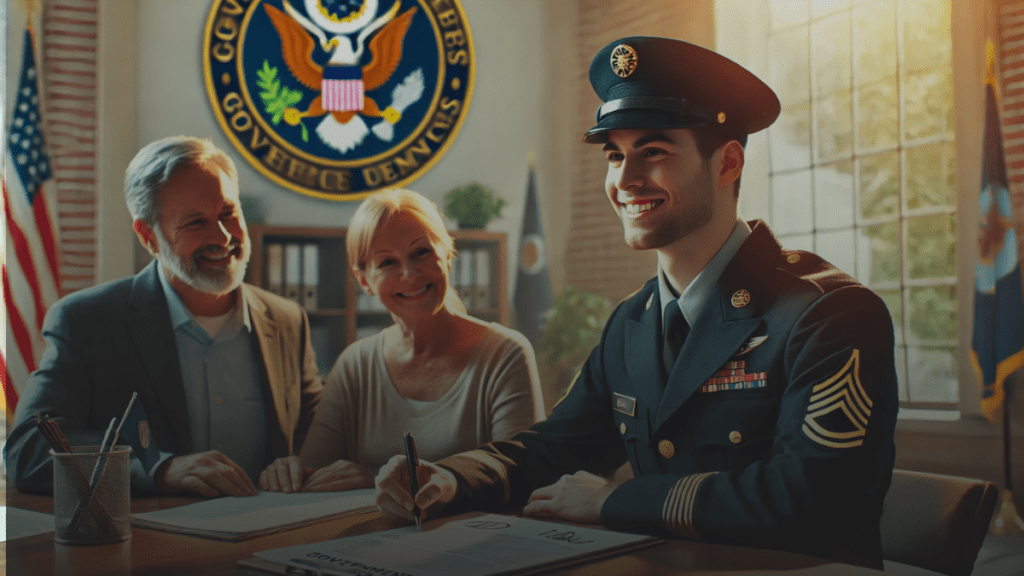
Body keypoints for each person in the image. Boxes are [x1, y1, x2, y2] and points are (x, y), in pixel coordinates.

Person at [374, 37, 899, 569]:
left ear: (727, 164)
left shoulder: (827, 314)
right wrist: (451, 476)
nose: (624, 181)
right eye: (615, 155)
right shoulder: (633, 321)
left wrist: (611, 502)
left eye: (653, 152)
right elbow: (559, 445)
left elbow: (809, 501)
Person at [4, 136, 324, 498]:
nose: (221, 237)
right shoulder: (88, 321)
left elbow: (319, 438)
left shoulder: (287, 321)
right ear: (148, 237)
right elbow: (27, 450)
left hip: (267, 544)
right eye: (195, 222)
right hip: (149, 548)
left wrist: (300, 463)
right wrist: (157, 467)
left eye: (228, 214)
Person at [259, 189, 544, 493]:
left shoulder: (506, 355)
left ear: (446, 255)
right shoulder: (354, 365)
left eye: (421, 252)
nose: (409, 272)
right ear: (365, 281)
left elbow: (520, 479)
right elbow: (314, 475)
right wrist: (288, 474)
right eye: (387, 263)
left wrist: (385, 482)